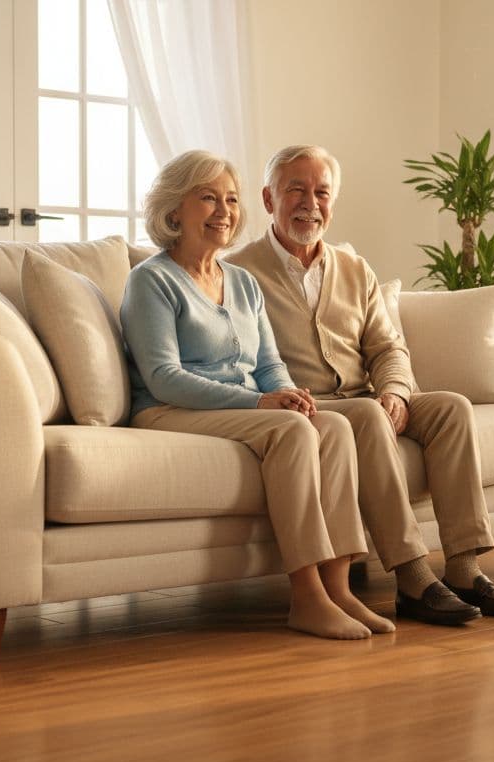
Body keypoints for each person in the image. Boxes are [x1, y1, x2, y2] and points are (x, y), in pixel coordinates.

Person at [226, 145, 494, 625]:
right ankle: (411, 575)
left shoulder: (355, 269)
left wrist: (396, 392)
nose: (311, 203)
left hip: (367, 397)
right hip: (306, 405)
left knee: (450, 407)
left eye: (322, 192)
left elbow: (389, 347)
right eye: (296, 190)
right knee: (368, 414)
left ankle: (464, 567)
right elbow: (242, 358)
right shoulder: (237, 271)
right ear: (268, 199)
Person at [121, 149, 392, 640]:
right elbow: (163, 377)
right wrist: (260, 403)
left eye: (230, 199)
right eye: (208, 198)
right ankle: (306, 596)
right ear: (173, 209)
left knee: (330, 422)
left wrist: (289, 394)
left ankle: (339, 587)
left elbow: (268, 365)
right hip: (169, 410)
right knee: (291, 429)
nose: (224, 211)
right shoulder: (152, 280)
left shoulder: (243, 282)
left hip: (244, 409)